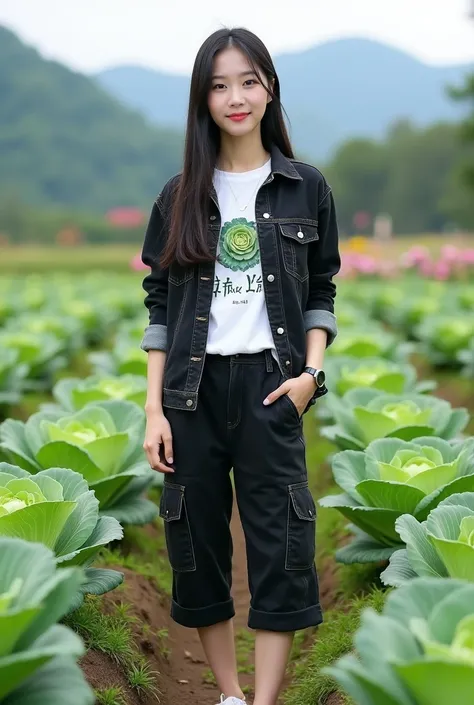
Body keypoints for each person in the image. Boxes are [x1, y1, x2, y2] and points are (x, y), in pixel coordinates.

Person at [140, 27, 340, 705]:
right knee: (196, 542)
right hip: (191, 393)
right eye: (220, 84)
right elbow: (161, 306)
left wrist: (311, 377)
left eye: (248, 80)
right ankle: (227, 694)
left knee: (283, 539)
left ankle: (264, 700)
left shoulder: (305, 188)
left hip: (272, 384)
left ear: (269, 88)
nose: (236, 97)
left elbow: (321, 290)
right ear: (203, 98)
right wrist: (153, 409)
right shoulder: (178, 197)